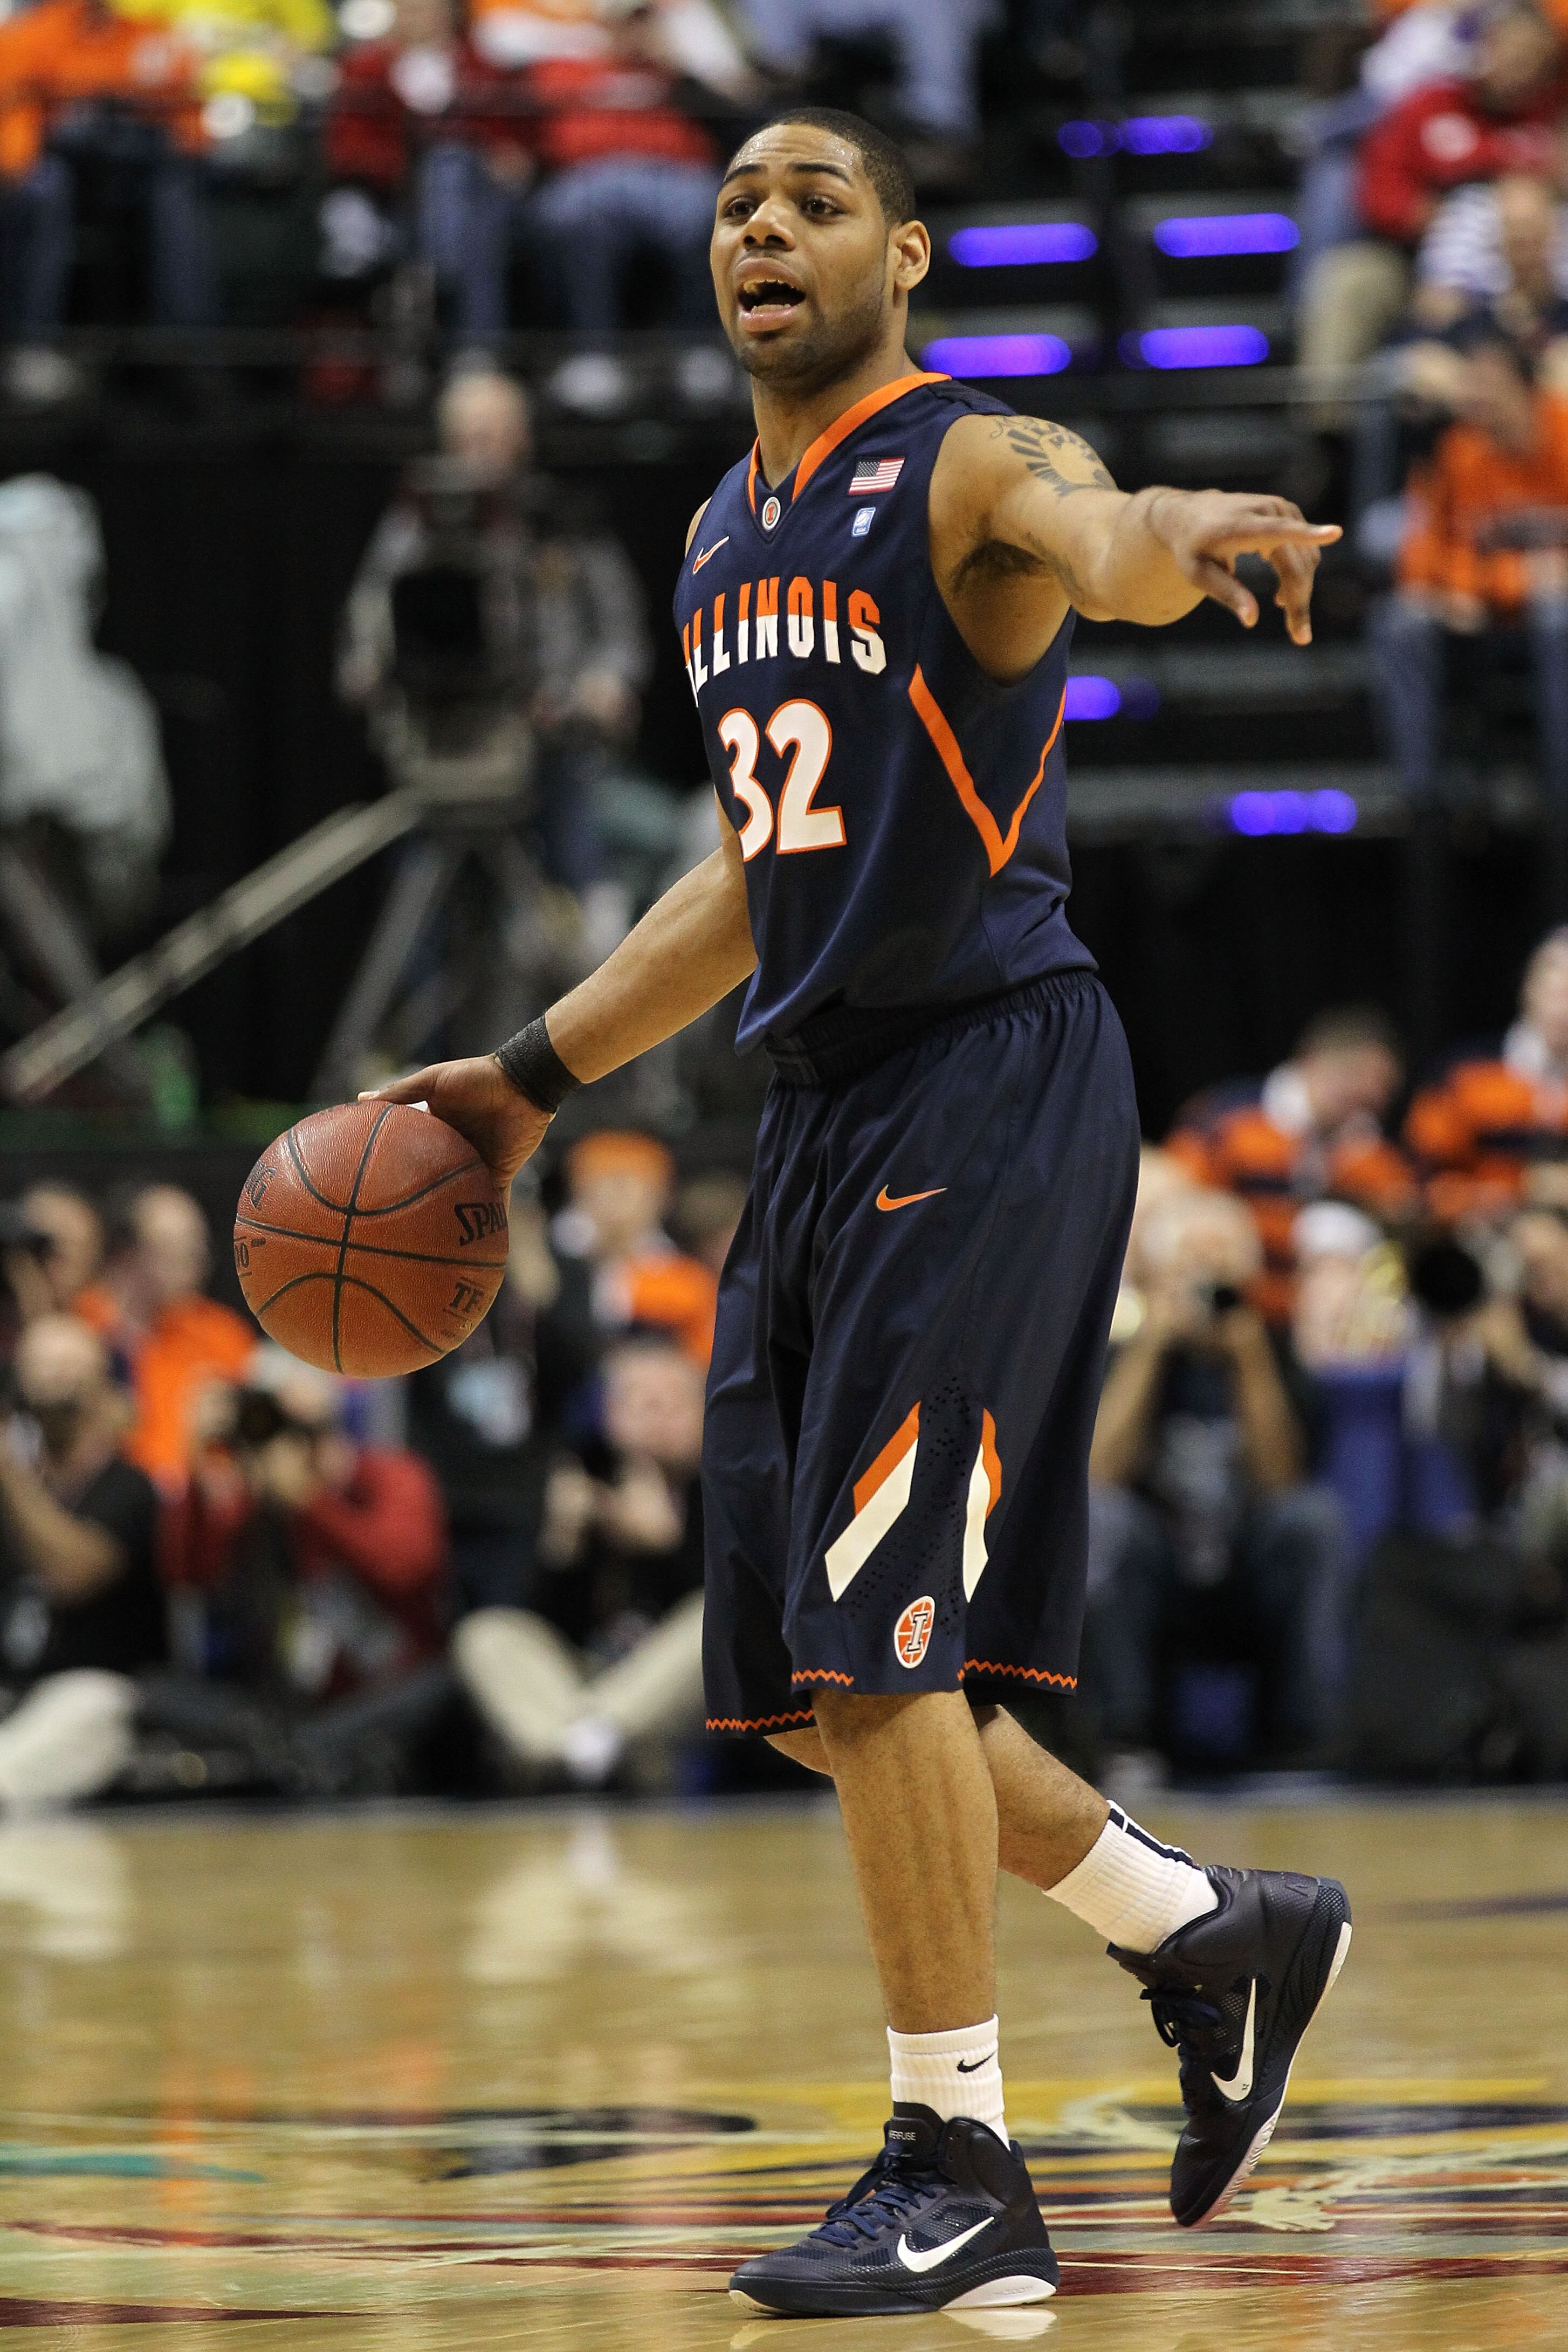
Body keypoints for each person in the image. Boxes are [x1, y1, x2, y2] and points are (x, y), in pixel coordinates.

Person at [367, 105, 1351, 2313]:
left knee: (883, 1634)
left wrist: (1189, 526)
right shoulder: (726, 529)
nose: (759, 226)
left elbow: (1103, 536)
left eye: (811, 197)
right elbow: (745, 874)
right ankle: (1205, 1934)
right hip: (817, 1107)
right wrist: (533, 1076)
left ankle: (958, 2155)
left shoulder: (965, 460)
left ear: (902, 254)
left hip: (986, 1070)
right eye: (733, 202)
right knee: (822, 1687)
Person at [339, 365, 652, 952]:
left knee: (577, 867)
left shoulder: (563, 521)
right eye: (465, 438)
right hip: (448, 738)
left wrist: (603, 684)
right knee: (416, 897)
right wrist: (366, 667)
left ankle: (590, 993)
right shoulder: (413, 529)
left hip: (549, 742)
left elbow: (621, 630)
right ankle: (412, 1035)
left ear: (521, 438)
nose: (477, 453)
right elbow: (368, 618)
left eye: (490, 436)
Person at [1082, 1188, 1345, 1766]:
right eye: (1189, 1268)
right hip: (1154, 1571)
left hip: (1246, 1567)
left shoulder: (1270, 1353)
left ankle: (1304, 1744)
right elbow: (1098, 1471)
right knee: (1104, 1518)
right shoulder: (1122, 1354)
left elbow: (1282, 1482)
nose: (1206, 1287)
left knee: (1313, 1520)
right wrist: (1152, 1344)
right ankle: (1125, 1739)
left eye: (1220, 1268)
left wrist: (1247, 1360)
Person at [156, 1350, 453, 1793]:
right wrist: (199, 1466)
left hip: (388, 1689)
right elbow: (189, 1575)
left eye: (299, 1433)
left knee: (449, 1677)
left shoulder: (391, 1476)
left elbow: (406, 1567)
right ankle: (298, 1754)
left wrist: (312, 1502)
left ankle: (306, 1755)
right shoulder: (257, 1505)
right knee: (155, 1693)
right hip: (293, 1703)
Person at [453, 1331, 706, 1785]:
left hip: (671, 1700)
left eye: (671, 1404)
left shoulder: (731, 1489)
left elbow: (754, 1624)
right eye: (639, 1403)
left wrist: (667, 1550)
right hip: (585, 1675)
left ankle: (583, 1744)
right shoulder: (576, 1478)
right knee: (486, 1635)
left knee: (717, 1615)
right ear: (609, 1413)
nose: (656, 1419)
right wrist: (561, 1547)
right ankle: (579, 1748)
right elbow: (529, 1618)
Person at [1368, 325, 1568, 821]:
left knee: (1557, 618)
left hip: (1551, 610)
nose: (1476, 396)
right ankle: (1423, 801)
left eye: (1489, 383)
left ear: (1525, 386)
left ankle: (1562, 797)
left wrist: (1503, 583)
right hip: (1487, 605)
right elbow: (1425, 551)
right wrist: (1488, 584)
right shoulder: (1461, 447)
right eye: (1471, 383)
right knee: (1400, 623)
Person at [0, 0, 215, 401]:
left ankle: (187, 351)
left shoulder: (143, 32)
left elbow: (185, 111)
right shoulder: (30, 32)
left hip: (127, 173)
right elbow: (17, 116)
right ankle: (31, 348)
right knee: (46, 188)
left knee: (173, 189)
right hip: (48, 170)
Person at [0, 1314, 163, 1808]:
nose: (55, 1379)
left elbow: (73, 1574)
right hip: (15, 1687)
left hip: (101, 1693)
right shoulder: (22, 1486)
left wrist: (7, 1472)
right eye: (42, 1367)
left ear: (104, 1387)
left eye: (69, 1366)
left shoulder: (129, 1487)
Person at [1166, 1006, 1416, 1321]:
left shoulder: (1365, 1146)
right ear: (1310, 1060)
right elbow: (1178, 1209)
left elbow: (1404, 1208)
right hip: (1230, 1302)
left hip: (1315, 1314)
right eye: (1354, 1076)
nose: (1368, 1094)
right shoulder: (1227, 1121)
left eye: (1380, 1091)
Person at [75, 1184, 256, 1489]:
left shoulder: (224, 1334)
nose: (194, 1265)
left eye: (199, 1250)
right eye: (175, 1249)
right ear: (127, 1253)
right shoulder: (81, 1328)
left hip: (198, 1504)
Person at [1408, 926, 1568, 1214]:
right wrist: (1522, 1189)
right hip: (1484, 1234)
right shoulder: (1465, 1072)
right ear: (1530, 988)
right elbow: (1427, 1178)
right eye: (1559, 993)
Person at [555, 1129, 718, 1365]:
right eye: (600, 1185)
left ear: (661, 1197)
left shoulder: (687, 1279)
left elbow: (704, 1358)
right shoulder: (547, 1263)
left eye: (627, 1185)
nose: (615, 1200)